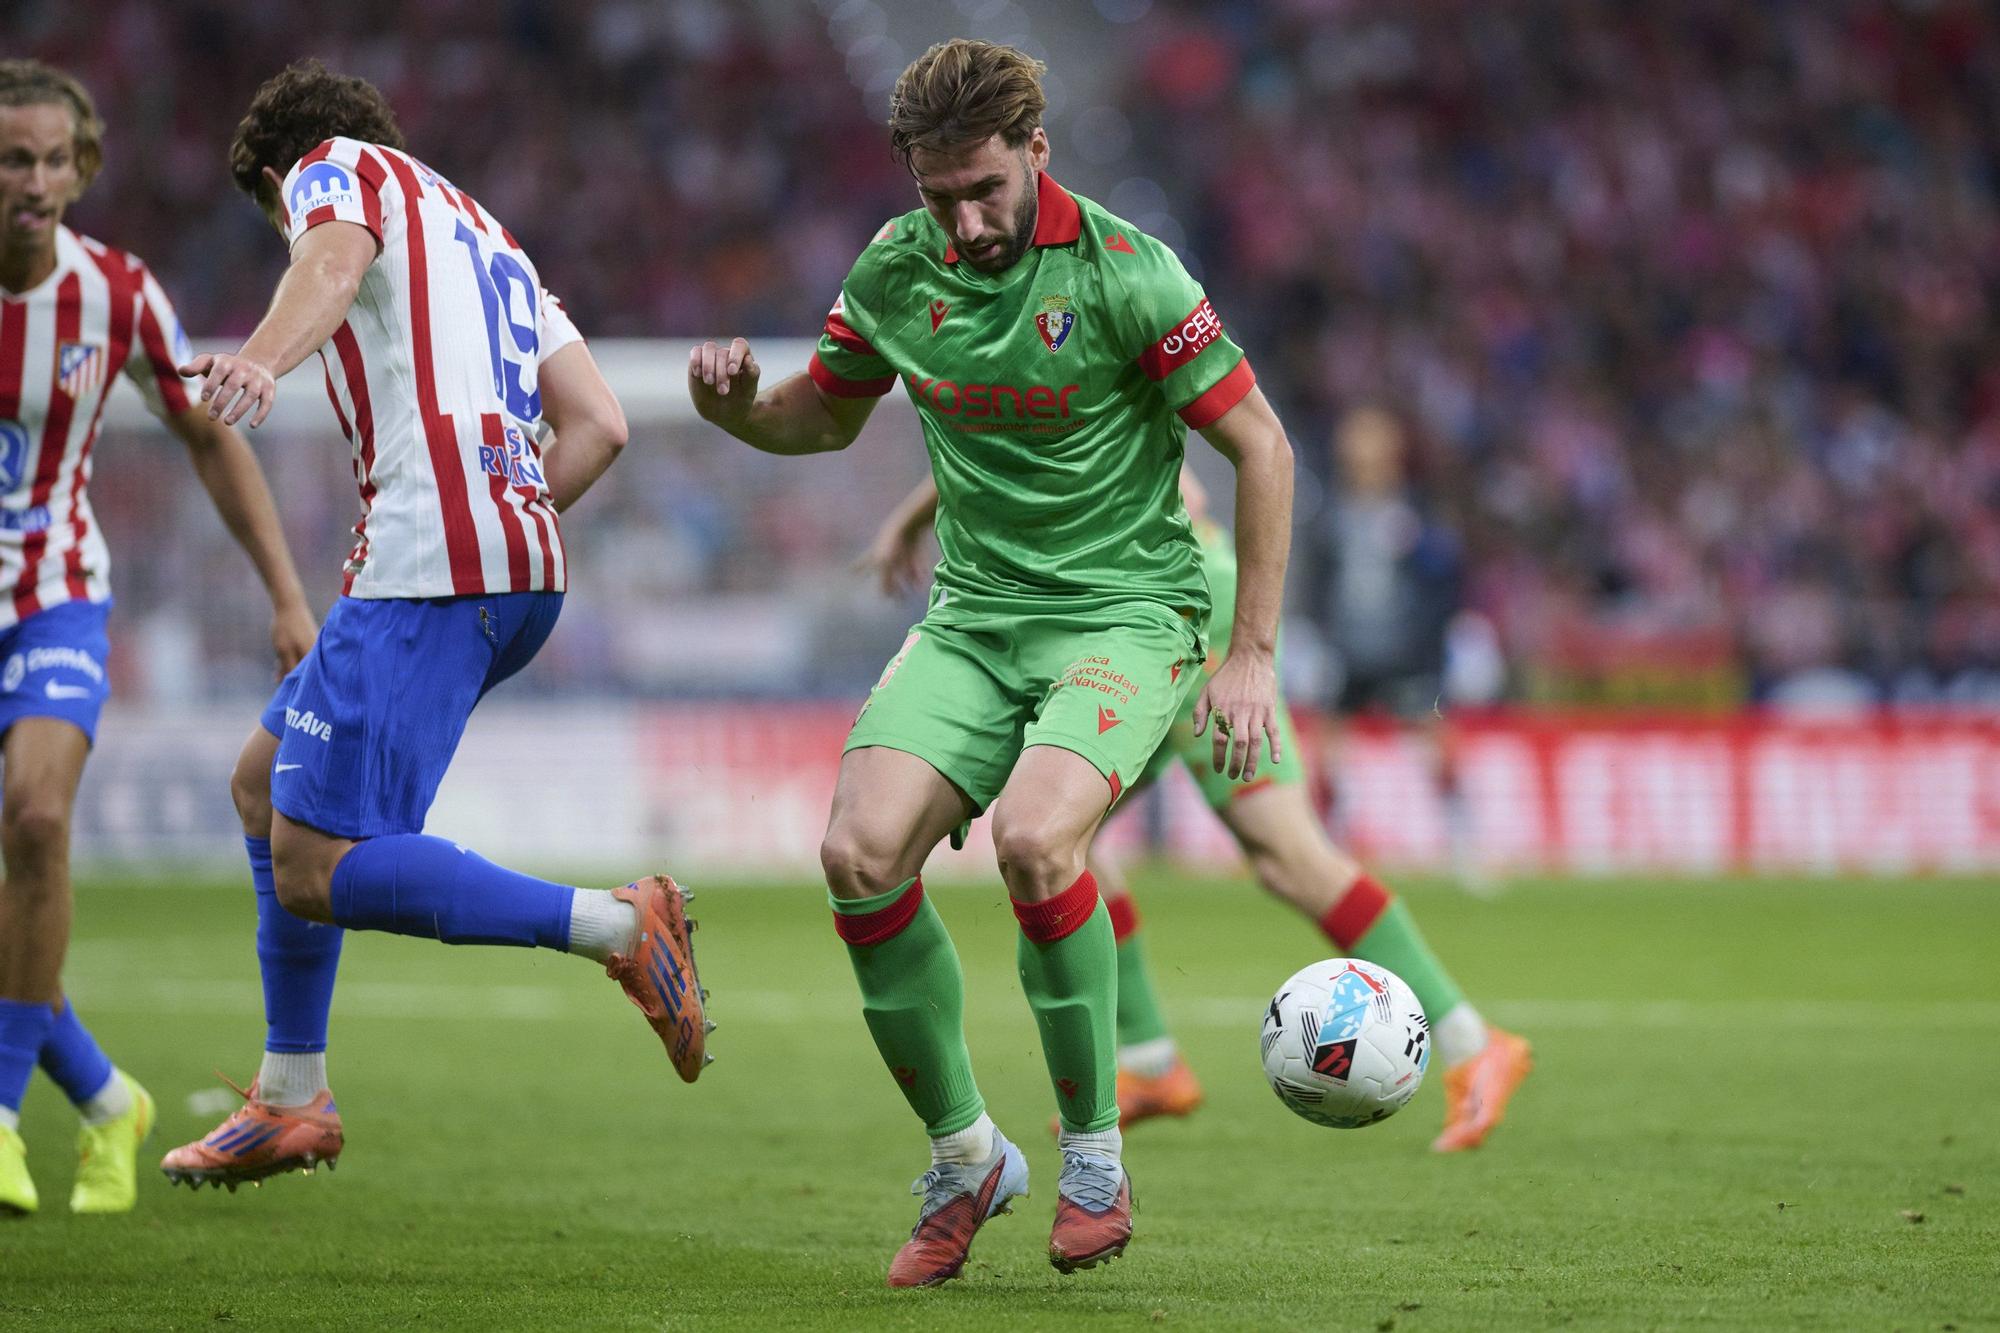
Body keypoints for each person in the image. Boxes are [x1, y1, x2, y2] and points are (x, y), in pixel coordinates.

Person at [690, 38, 1294, 1285]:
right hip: (974, 619)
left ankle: (1091, 1157)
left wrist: (1250, 655)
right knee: (855, 856)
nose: (964, 222)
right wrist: (738, 412)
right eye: (936, 196)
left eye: (985, 191)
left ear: (1036, 153)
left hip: (1129, 614)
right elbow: (819, 413)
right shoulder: (896, 271)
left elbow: (1264, 448)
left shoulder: (1129, 271)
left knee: (1034, 839)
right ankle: (967, 1154)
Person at [158, 61, 706, 1192]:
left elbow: (329, 255)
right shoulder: (489, 237)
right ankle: (291, 1094)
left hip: (428, 562)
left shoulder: (336, 173)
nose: (293, 228)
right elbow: (599, 426)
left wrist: (260, 358)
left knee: (316, 865)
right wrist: (504, 519)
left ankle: (621, 927)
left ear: (280, 172)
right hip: (519, 567)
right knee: (265, 787)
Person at [863, 469, 1532, 1154]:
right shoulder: (999, 376)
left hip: (1176, 608)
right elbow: (979, 431)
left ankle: (1472, 1041)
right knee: (1057, 835)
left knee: (1287, 857)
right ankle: (1152, 1061)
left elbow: (1190, 462)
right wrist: (912, 519)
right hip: (1109, 614)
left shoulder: (1095, 363)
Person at [0, 60, 317, 1218]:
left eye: (48, 160)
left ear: (79, 172)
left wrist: (285, 592)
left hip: (54, 593)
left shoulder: (116, 295)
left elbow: (206, 435)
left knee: (36, 819)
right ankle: (102, 1097)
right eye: (8, 159)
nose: (29, 182)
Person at [1309, 403, 1502, 892]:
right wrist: (1314, 634)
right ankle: (1327, 852)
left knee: (1435, 744)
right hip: (1349, 649)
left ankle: (1465, 848)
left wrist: (1444, 637)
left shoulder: (1415, 509)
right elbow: (1319, 579)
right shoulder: (1331, 511)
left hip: (1406, 651)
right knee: (1328, 751)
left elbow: (1444, 575)